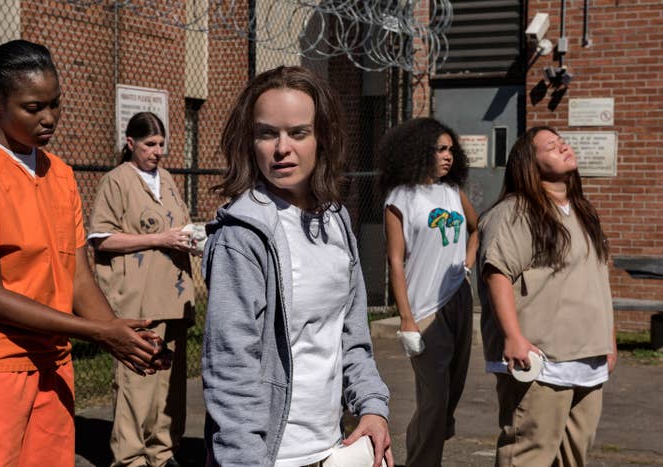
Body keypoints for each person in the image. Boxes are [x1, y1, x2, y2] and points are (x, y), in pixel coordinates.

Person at [0, 40, 164, 467]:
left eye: (56, 105)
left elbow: (77, 278)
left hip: (53, 366)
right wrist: (96, 332)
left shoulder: (60, 175)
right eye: (33, 107)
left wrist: (120, 335)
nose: (49, 118)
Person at [201, 65, 393, 467]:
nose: (281, 148)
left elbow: (350, 336)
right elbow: (230, 368)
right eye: (267, 133)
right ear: (250, 141)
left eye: (298, 133)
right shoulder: (244, 235)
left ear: (322, 138)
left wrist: (372, 406)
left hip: (335, 449)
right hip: (270, 457)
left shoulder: (336, 219)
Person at [477, 126, 616, 466]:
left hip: (587, 358)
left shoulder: (584, 213)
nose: (563, 147)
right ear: (529, 163)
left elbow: (598, 282)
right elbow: (498, 273)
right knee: (528, 454)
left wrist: (608, 342)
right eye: (551, 146)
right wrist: (513, 337)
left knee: (573, 456)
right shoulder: (514, 212)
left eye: (562, 142)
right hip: (540, 360)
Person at [88, 111, 196, 467]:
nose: (158, 151)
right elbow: (101, 239)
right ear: (130, 143)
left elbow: (178, 224)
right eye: (150, 144)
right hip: (138, 297)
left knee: (170, 383)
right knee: (138, 381)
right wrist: (158, 238)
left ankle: (162, 452)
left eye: (162, 144)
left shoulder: (165, 179)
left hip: (173, 295)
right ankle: (131, 457)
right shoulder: (117, 181)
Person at [378, 117, 478, 466]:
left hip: (459, 298)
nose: (448, 156)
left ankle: (428, 449)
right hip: (424, 309)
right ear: (420, 150)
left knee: (450, 397)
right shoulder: (400, 197)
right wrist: (406, 319)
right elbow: (394, 261)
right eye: (440, 149)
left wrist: (466, 265)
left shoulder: (452, 192)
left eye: (451, 149)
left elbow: (476, 228)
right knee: (434, 399)